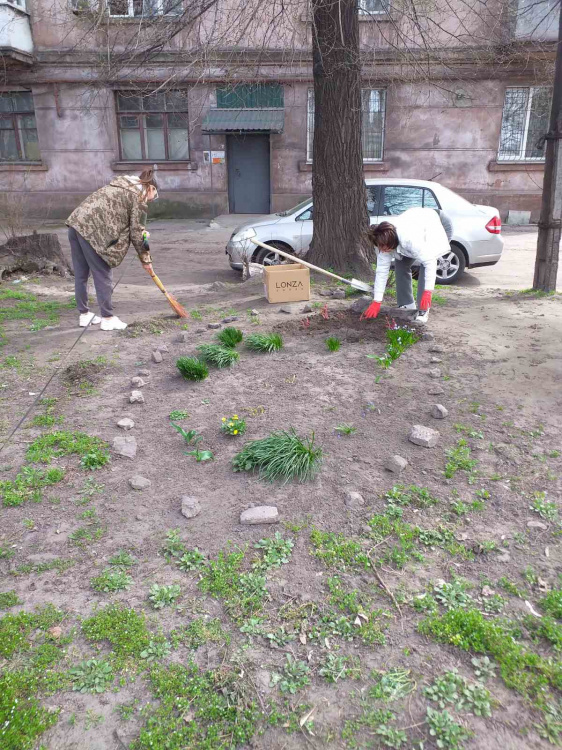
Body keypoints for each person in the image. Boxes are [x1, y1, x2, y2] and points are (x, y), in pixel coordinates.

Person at [66, 169, 158, 331]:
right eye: (155, 195)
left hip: (75, 224)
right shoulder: (139, 197)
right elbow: (137, 233)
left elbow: (123, 220)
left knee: (81, 275)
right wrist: (146, 260)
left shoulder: (119, 185)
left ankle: (84, 315)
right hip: (93, 232)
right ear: (150, 188)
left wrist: (139, 232)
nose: (152, 199)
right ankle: (108, 318)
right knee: (103, 274)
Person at [362, 206, 453, 324]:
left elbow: (430, 261)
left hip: (439, 222)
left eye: (383, 247)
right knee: (400, 265)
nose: (382, 250)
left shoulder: (408, 240)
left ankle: (423, 310)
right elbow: (381, 271)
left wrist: (428, 291)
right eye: (379, 247)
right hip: (417, 225)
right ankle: (407, 304)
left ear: (391, 242)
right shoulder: (385, 242)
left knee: (426, 265)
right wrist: (377, 301)